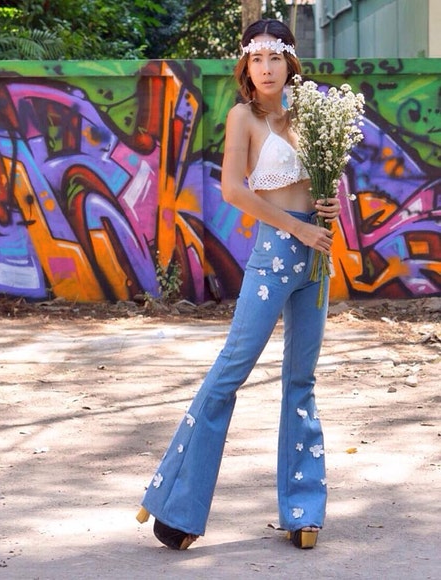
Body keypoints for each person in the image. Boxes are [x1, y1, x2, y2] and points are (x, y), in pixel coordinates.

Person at [136, 18, 341, 551]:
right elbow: (232, 190)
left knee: (302, 383)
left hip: (316, 262)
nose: (266, 68)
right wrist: (296, 225)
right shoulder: (243, 117)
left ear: (290, 62)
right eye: (257, 58)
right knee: (231, 372)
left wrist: (326, 208)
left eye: (275, 58)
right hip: (273, 258)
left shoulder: (313, 114)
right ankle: (175, 505)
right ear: (246, 65)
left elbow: (323, 184)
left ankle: (304, 510)